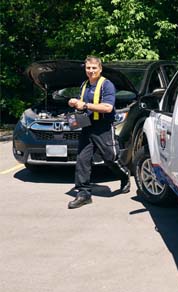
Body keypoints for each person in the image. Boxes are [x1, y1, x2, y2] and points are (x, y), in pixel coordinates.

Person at [67, 56, 130, 209]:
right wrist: (74, 102)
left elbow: (108, 107)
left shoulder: (107, 85)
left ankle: (124, 175)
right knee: (82, 159)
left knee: (110, 158)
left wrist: (85, 105)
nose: (91, 71)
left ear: (100, 69)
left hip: (103, 127)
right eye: (88, 68)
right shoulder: (85, 84)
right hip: (87, 126)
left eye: (94, 68)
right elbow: (82, 102)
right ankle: (83, 193)